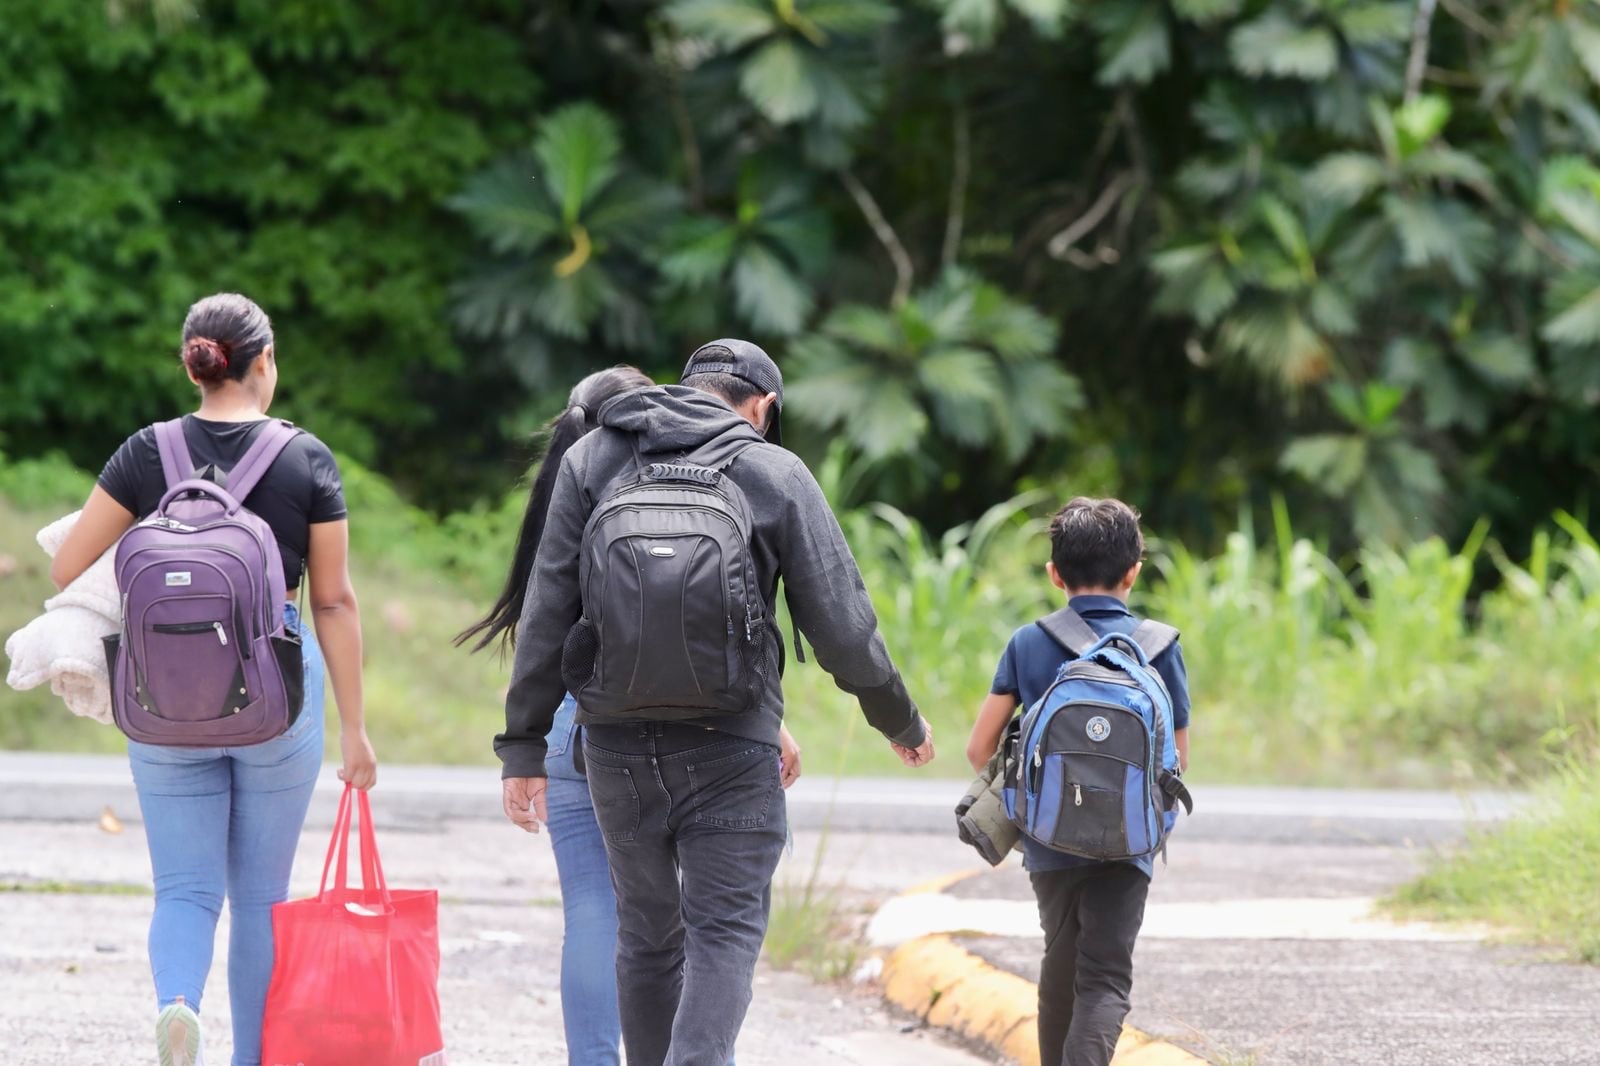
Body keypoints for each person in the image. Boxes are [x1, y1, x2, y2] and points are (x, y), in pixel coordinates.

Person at [497, 339, 936, 1066]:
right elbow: (842, 626)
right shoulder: (774, 470)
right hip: (732, 742)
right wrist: (898, 717)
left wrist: (523, 743)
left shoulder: (595, 460)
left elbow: (549, 610)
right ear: (763, 407)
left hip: (613, 744)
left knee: (644, 935)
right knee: (724, 932)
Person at [50, 293, 377, 1066]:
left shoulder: (144, 452)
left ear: (195, 365)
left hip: (161, 701)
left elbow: (68, 568)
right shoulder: (306, 459)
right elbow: (331, 599)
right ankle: (251, 1059)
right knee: (262, 897)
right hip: (277, 703)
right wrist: (357, 732)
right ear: (264, 361)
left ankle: (177, 1005)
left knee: (186, 889)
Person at [460, 366, 801, 1065]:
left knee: (599, 912)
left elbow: (544, 629)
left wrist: (520, 745)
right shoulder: (664, 478)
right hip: (684, 722)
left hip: (573, 721)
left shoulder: (567, 486)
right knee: (698, 928)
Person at [965, 496, 1191, 1066]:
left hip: (1048, 841)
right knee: (1105, 979)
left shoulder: (1029, 641)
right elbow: (1176, 761)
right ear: (1134, 571)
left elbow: (979, 749)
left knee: (1059, 970)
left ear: (1054, 574)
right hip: (1130, 842)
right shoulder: (1160, 646)